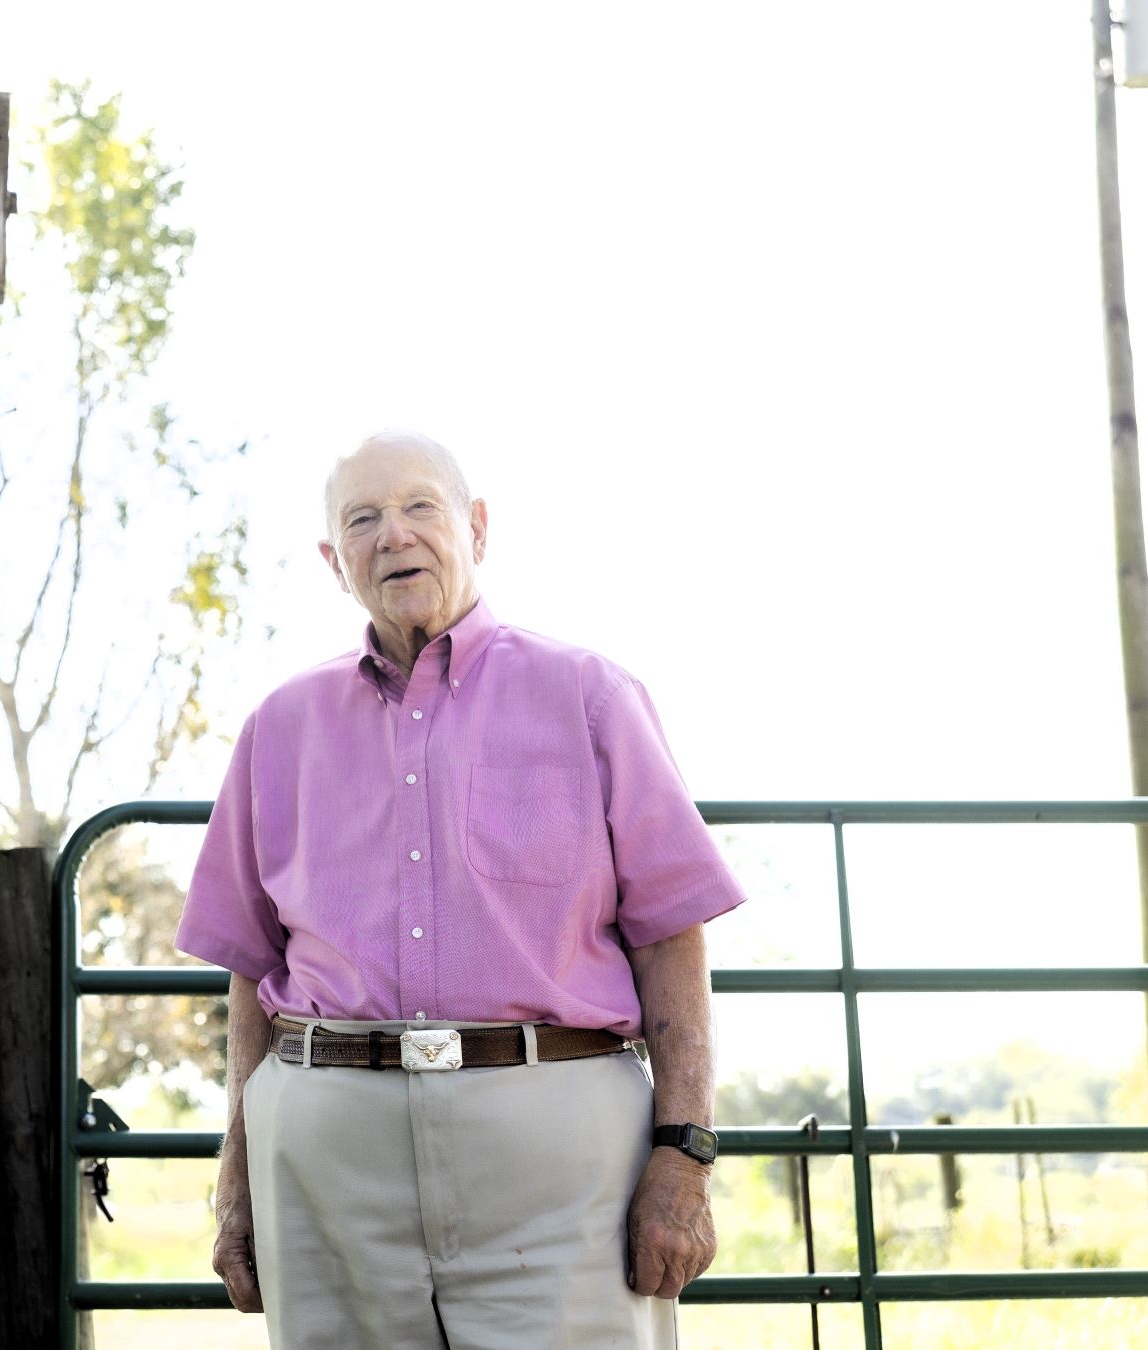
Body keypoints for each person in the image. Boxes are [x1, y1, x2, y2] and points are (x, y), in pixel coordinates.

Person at [174, 430, 749, 1349]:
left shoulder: (591, 695)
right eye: (361, 519)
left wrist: (685, 1158)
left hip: (557, 1158)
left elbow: (671, 935)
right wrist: (236, 1181)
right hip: (329, 1162)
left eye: (419, 508)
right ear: (334, 561)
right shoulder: (278, 728)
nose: (392, 536)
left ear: (476, 528)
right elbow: (252, 968)